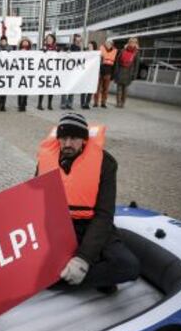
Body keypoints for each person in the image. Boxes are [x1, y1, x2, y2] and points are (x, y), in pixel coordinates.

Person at [37, 112, 140, 294]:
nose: (68, 144)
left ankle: (62, 281)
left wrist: (83, 259)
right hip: (61, 227)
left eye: (74, 138)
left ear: (84, 139)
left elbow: (104, 214)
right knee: (38, 266)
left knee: (128, 266)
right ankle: (96, 278)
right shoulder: (46, 160)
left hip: (93, 224)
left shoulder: (106, 163)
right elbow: (37, 203)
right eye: (63, 138)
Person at [113, 37, 140, 108]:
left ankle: (122, 103)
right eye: (131, 42)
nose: (132, 44)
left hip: (129, 72)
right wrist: (116, 71)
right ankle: (118, 103)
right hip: (121, 71)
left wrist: (134, 74)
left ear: (135, 44)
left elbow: (136, 65)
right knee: (119, 89)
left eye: (133, 42)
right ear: (128, 43)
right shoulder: (122, 50)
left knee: (125, 90)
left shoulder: (136, 53)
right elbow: (117, 61)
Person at [94, 38, 118, 108]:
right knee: (98, 88)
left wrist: (113, 74)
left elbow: (115, 64)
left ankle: (103, 103)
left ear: (112, 44)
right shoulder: (101, 49)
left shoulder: (115, 51)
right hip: (100, 71)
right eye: (107, 43)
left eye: (110, 43)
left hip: (108, 72)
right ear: (105, 43)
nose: (108, 44)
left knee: (105, 89)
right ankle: (96, 102)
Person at [61, 34, 82, 110]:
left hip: (74, 71)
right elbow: (63, 52)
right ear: (74, 40)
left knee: (72, 87)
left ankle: (70, 104)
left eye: (79, 41)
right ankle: (63, 103)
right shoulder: (70, 47)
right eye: (77, 40)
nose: (78, 42)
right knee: (65, 87)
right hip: (67, 71)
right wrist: (67, 51)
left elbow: (79, 60)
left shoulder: (79, 49)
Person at [38, 34, 58, 111]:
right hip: (44, 70)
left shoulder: (56, 48)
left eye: (50, 39)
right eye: (48, 39)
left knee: (51, 88)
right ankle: (39, 104)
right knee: (42, 87)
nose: (49, 40)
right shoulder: (43, 47)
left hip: (52, 71)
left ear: (53, 40)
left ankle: (49, 104)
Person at [80, 40, 98, 110]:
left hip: (92, 73)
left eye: (90, 46)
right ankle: (82, 103)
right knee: (83, 88)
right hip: (85, 73)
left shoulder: (96, 54)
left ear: (94, 47)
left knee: (90, 89)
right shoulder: (85, 53)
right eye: (89, 46)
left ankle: (87, 103)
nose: (89, 47)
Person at [17, 37, 32, 112]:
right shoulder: (18, 51)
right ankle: (20, 104)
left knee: (26, 90)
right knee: (20, 89)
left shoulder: (31, 51)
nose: (25, 43)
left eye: (27, 42)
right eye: (24, 42)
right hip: (20, 72)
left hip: (27, 72)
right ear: (21, 43)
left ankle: (24, 104)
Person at [0, 35, 10, 112]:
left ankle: (3, 105)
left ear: (6, 41)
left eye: (4, 41)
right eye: (2, 41)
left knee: (5, 90)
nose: (3, 42)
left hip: (6, 72)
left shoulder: (10, 49)